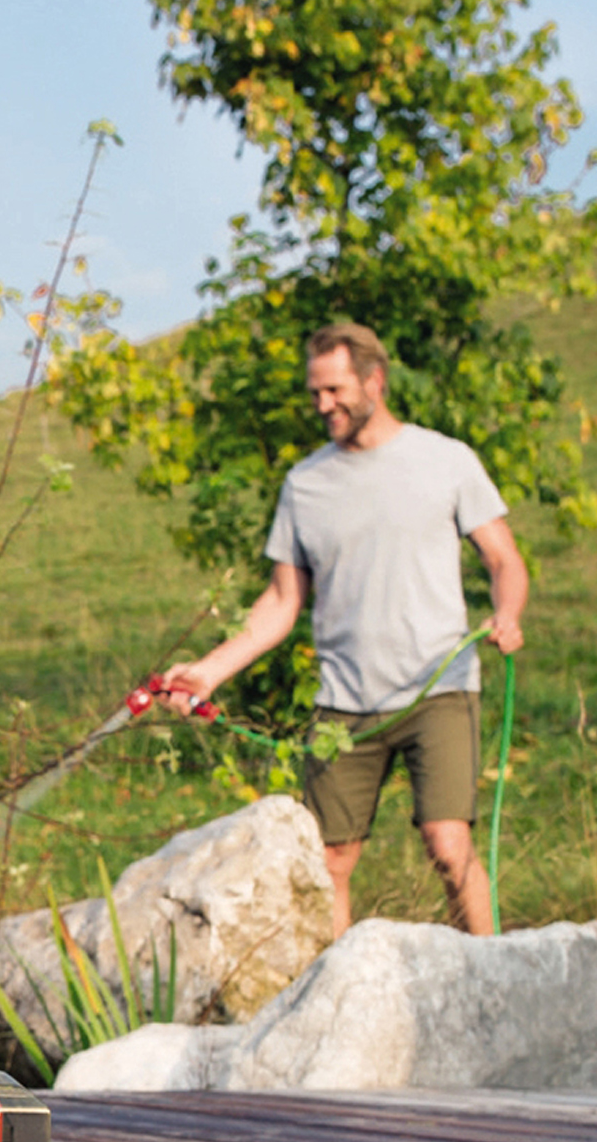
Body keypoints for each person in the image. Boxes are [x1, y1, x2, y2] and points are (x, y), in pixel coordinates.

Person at [159, 322, 528, 938]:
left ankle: (486, 968)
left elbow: (503, 560)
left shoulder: (445, 460)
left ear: (375, 382)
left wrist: (507, 613)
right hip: (344, 704)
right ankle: (334, 995)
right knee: (331, 861)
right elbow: (280, 602)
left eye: (334, 390)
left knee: (448, 843)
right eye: (314, 394)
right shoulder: (305, 485)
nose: (322, 405)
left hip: (439, 686)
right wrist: (206, 672)